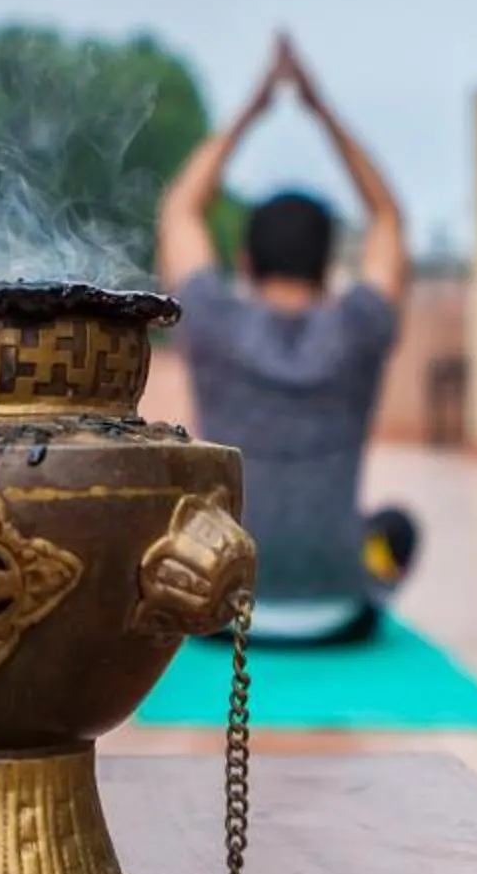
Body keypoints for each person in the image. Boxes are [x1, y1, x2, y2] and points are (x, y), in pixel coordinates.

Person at [157, 35, 416, 646]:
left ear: (245, 261)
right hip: (341, 609)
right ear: (329, 267)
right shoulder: (361, 327)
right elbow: (389, 220)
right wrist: (320, 109)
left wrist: (251, 109)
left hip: (218, 603)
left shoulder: (214, 319)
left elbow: (180, 211)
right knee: (397, 530)